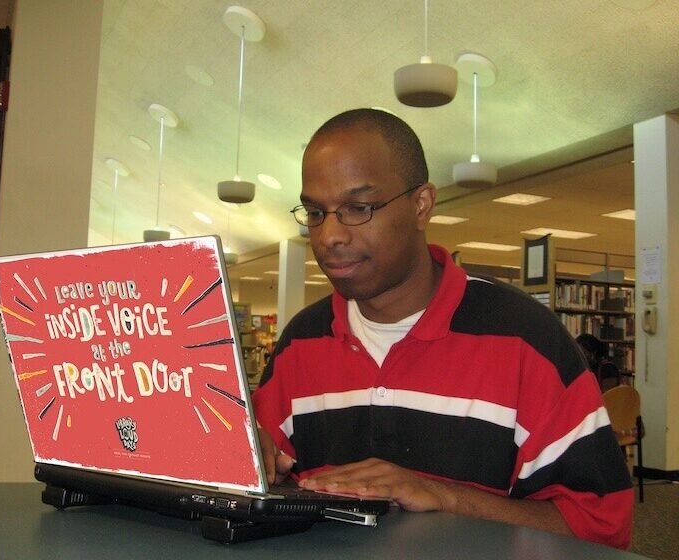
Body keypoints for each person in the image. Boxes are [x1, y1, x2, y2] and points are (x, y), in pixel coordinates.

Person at [251, 108, 633, 549]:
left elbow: (602, 528)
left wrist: (445, 497)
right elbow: (263, 485)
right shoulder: (301, 341)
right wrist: (255, 466)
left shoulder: (526, 338)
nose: (329, 236)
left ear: (421, 205)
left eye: (358, 208)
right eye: (316, 212)